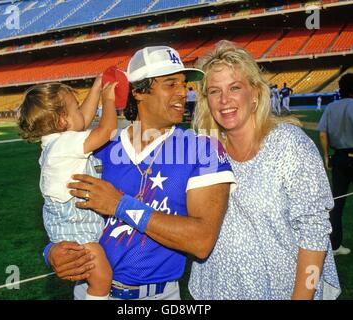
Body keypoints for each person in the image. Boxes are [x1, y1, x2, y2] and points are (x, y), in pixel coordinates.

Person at [44, 45, 235, 300]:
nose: (183, 93)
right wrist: (51, 251)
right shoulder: (100, 145)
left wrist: (120, 205)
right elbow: (58, 202)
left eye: (184, 84)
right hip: (89, 290)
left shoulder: (204, 150)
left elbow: (201, 241)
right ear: (139, 92)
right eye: (170, 84)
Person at [190, 40, 340, 300]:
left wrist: (303, 297)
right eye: (214, 91)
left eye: (235, 87)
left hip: (282, 292)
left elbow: (315, 236)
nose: (224, 100)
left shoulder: (290, 145)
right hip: (217, 290)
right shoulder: (205, 150)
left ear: (255, 94)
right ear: (206, 101)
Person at [18, 78, 118, 300]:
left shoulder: (55, 142)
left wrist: (96, 86)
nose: (82, 112)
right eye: (76, 107)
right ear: (63, 120)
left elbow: (81, 119)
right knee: (102, 279)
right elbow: (107, 130)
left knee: (98, 277)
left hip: (66, 227)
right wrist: (107, 100)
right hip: (77, 230)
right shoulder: (65, 145)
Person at [318, 73, 353, 256]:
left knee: (337, 203)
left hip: (339, 159)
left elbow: (323, 134)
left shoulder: (331, 107)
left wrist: (327, 157)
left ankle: (335, 245)